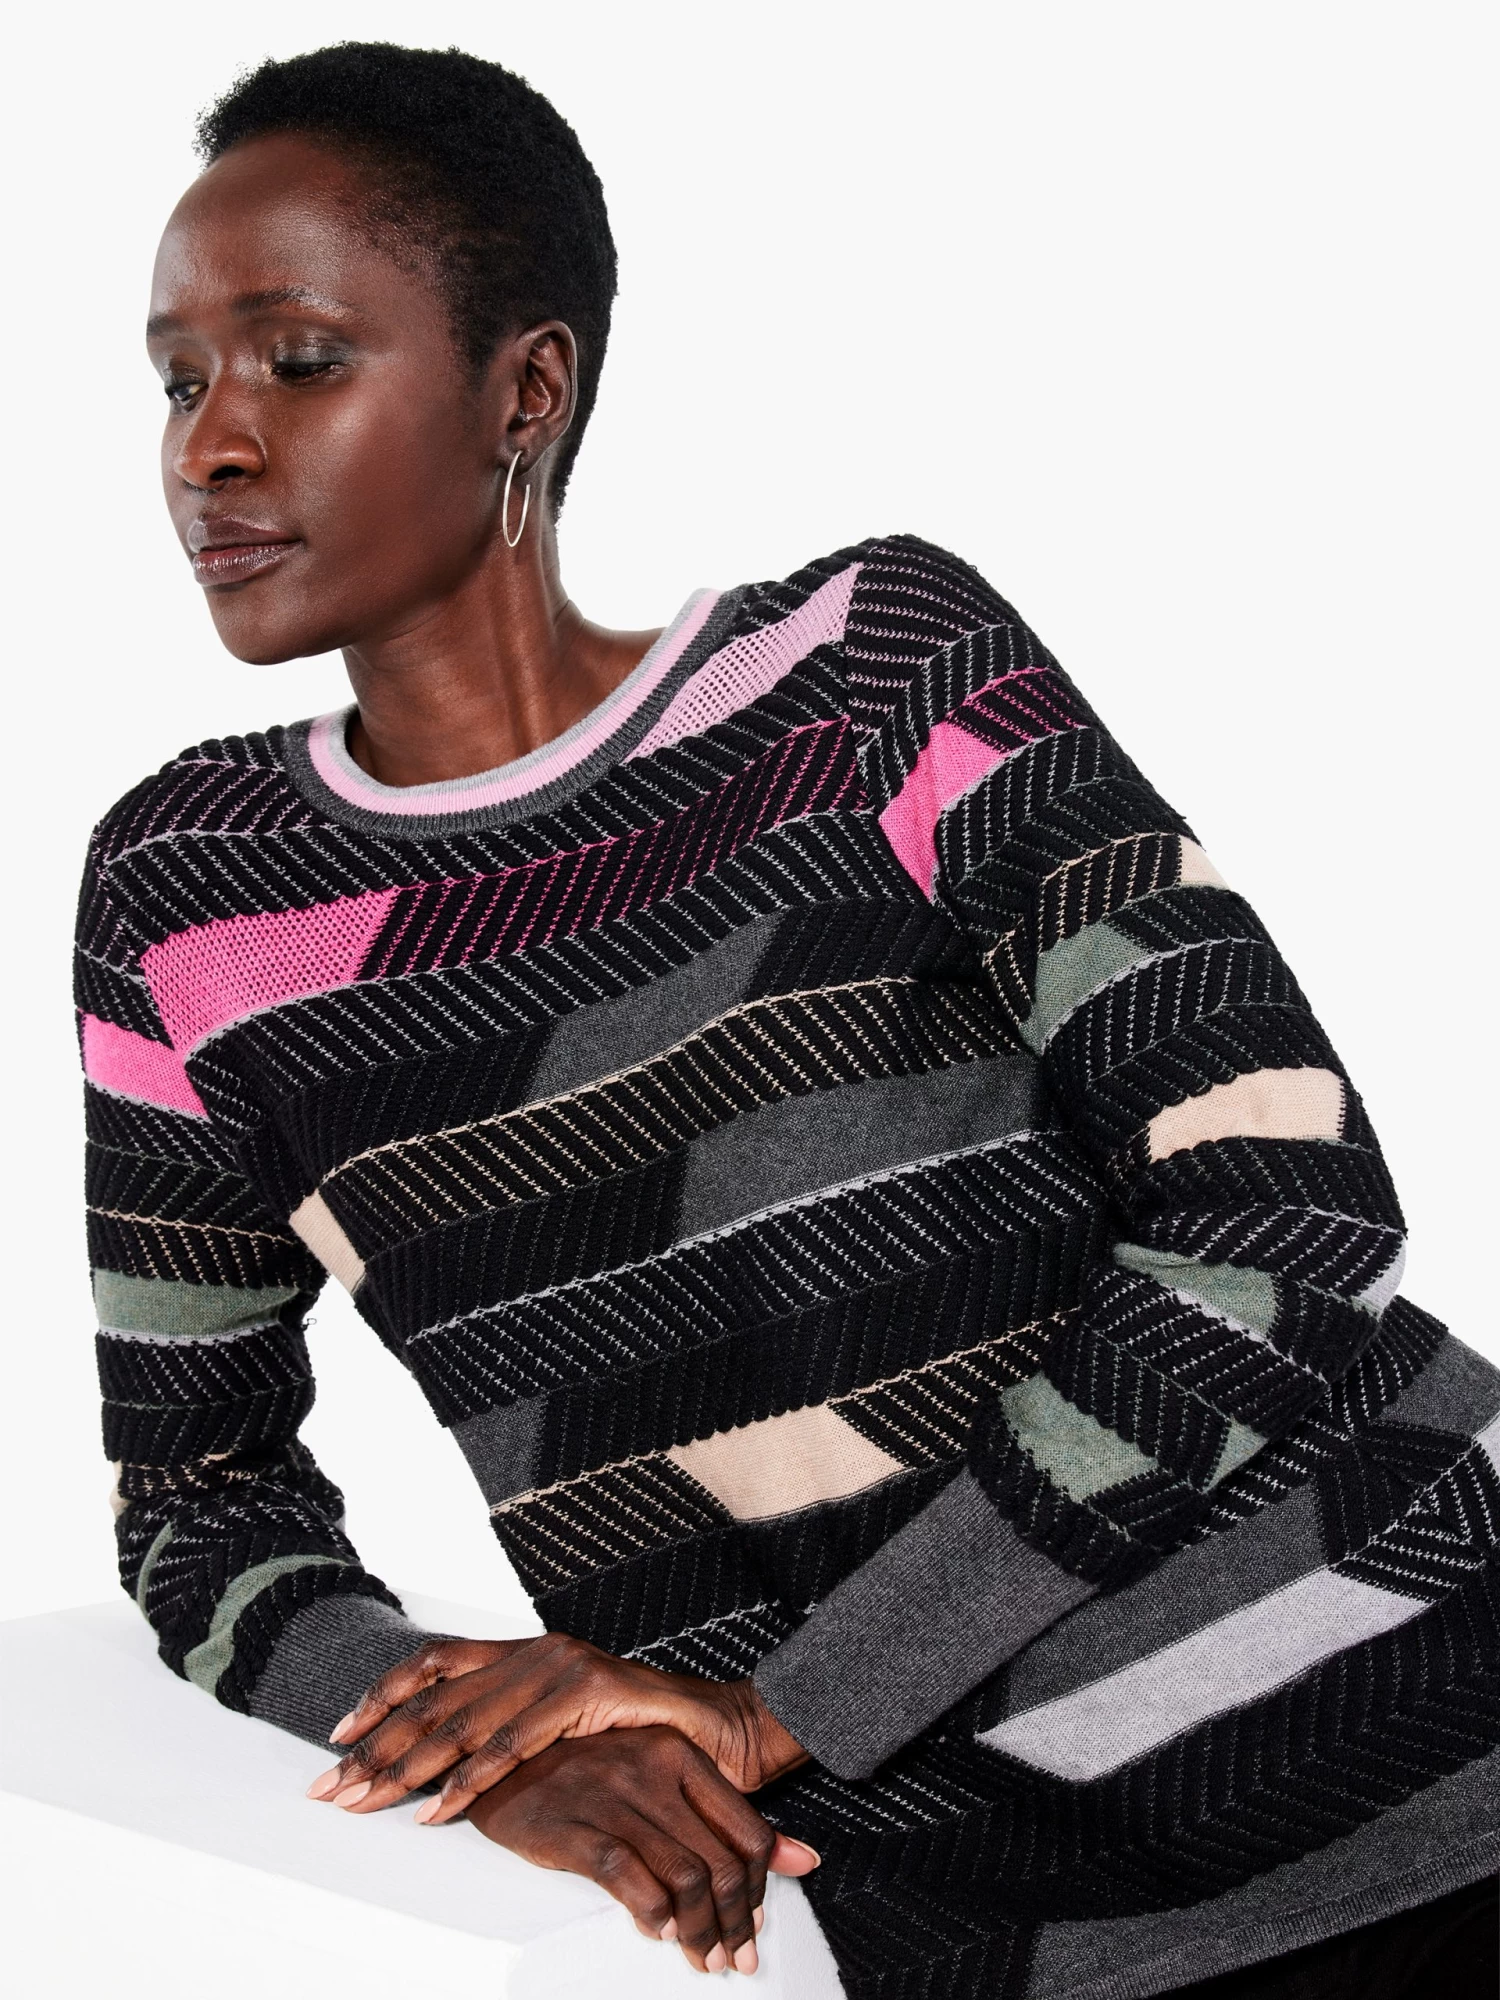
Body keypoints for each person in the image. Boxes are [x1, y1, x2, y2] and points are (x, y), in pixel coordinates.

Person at [77, 40, 1498, 1999]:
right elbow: (196, 1497)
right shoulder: (188, 903)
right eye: (178, 381)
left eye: (298, 361)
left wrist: (786, 1703)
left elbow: (1278, 1204)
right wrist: (495, 1750)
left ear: (526, 389)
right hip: (988, 1933)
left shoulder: (865, 673)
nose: (210, 448)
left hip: (1446, 1739)